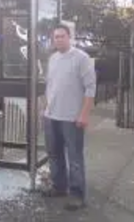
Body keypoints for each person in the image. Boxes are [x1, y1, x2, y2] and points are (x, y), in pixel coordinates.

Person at [41, 24, 96, 211]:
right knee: (54, 154)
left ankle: (77, 194)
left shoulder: (82, 58)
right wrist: (46, 107)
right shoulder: (53, 59)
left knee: (74, 157)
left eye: (62, 36)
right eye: (55, 37)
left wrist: (84, 114)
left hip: (72, 118)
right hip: (51, 116)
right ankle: (59, 187)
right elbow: (51, 85)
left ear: (69, 37)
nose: (58, 40)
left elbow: (90, 88)